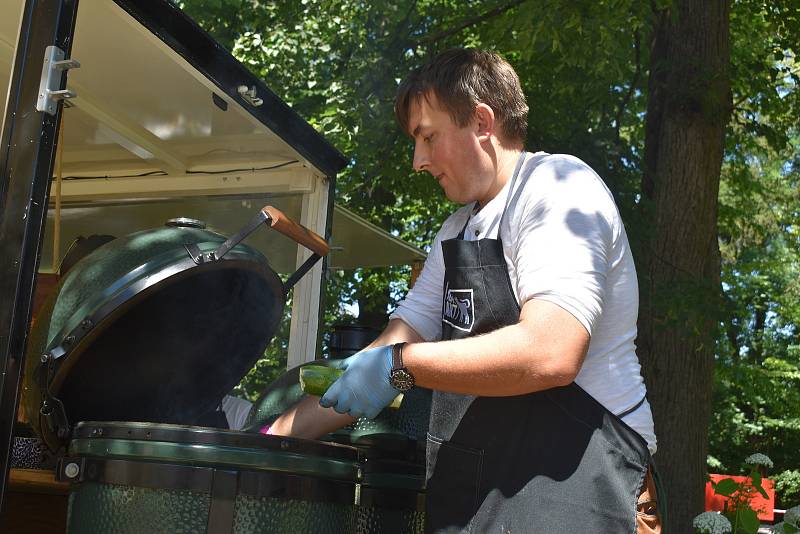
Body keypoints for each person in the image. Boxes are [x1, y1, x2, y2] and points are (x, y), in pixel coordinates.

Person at [269, 48, 661, 533]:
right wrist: (272, 440)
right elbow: (388, 349)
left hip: (578, 483)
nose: (418, 161)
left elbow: (551, 352)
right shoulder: (456, 232)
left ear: (481, 122)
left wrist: (401, 368)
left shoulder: (558, 187)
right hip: (475, 490)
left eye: (428, 137)